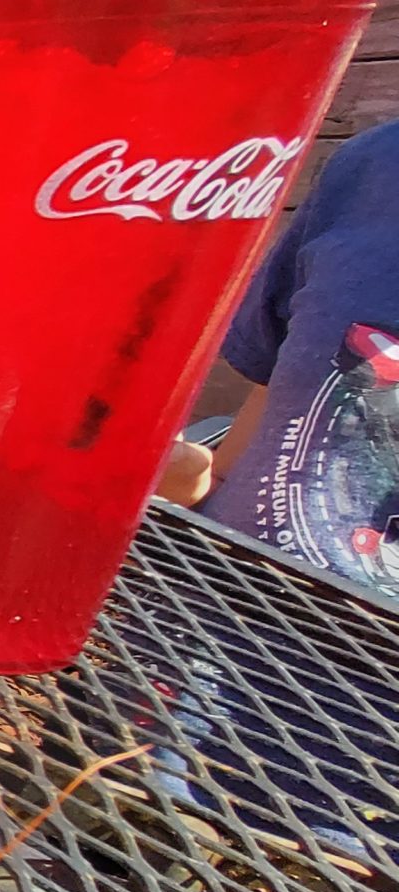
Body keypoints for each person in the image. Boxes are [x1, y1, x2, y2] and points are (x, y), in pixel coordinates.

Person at [158, 121, 399, 596]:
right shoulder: (371, 166)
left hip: (342, 667)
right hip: (188, 623)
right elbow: (237, 470)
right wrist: (171, 477)